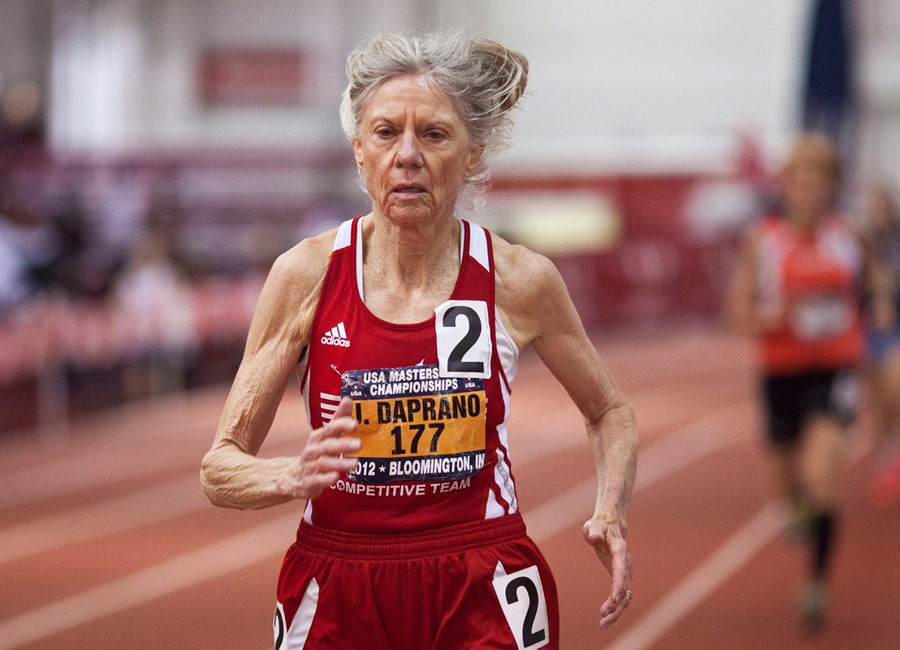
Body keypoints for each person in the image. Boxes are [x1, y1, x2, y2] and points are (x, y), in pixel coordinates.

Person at [200, 31, 637, 650]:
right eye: (385, 133)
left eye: (433, 134)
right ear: (358, 151)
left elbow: (609, 411)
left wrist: (610, 511)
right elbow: (219, 467)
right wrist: (289, 475)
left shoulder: (519, 280)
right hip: (339, 576)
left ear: (474, 154)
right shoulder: (305, 275)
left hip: (480, 573)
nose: (407, 155)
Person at [725, 133, 891, 632]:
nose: (809, 188)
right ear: (787, 185)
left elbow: (877, 277)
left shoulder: (849, 235)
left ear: (831, 186)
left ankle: (815, 583)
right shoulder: (765, 240)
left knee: (822, 475)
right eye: (799, 178)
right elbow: (736, 310)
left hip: (835, 369)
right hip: (781, 373)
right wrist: (769, 317)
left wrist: (879, 305)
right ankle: (795, 508)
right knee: (788, 484)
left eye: (819, 179)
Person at [858, 186, 900, 506]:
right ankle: (887, 456)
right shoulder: (861, 243)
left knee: (894, 390)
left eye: (884, 206)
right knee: (878, 400)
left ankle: (892, 456)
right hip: (867, 326)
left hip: (894, 327)